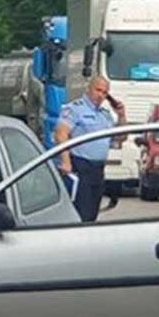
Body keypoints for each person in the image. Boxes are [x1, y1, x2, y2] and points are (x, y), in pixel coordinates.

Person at [55, 77, 127, 221]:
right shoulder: (75, 109)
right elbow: (61, 134)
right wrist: (66, 161)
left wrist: (121, 116)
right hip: (80, 167)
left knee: (92, 214)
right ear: (89, 89)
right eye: (98, 90)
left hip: (98, 170)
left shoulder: (105, 115)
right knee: (81, 213)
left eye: (105, 93)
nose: (100, 95)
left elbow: (120, 138)